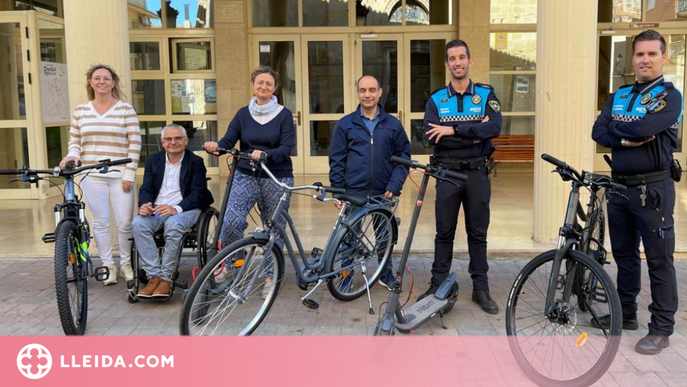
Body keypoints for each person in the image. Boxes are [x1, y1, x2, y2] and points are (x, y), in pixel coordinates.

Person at [592, 30, 683, 355]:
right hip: (619, 189)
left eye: (652, 54)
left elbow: (646, 127)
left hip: (653, 190)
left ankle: (661, 328)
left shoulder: (670, 96)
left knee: (660, 261)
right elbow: (597, 130)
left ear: (664, 57)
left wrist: (618, 131)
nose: (645, 59)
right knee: (625, 257)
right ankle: (625, 315)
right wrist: (625, 138)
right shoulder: (619, 95)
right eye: (640, 54)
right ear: (632, 58)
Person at [419, 39, 502, 314]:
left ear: (470, 61)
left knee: (478, 234)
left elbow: (495, 128)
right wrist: (475, 129)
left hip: (478, 172)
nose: (457, 62)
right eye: (452, 58)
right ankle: (437, 284)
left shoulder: (486, 95)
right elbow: (431, 137)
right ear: (446, 64)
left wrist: (452, 131)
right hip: (447, 172)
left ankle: (481, 289)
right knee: (444, 232)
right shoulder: (436, 99)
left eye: (461, 57)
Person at [204, 66, 295, 298]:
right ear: (253, 85)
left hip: (276, 175)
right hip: (246, 173)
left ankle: (270, 275)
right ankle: (234, 265)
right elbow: (228, 140)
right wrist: (216, 147)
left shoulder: (284, 115)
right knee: (231, 221)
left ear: (275, 88)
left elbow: (286, 147)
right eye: (259, 83)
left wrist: (266, 155)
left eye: (268, 84)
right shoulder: (243, 114)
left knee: (273, 227)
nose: (263, 87)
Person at [60, 63, 141, 286]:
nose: (102, 82)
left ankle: (125, 263)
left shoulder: (125, 109)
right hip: (92, 174)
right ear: (91, 82)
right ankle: (107, 266)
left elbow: (135, 142)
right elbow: (75, 141)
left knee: (125, 222)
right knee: (101, 222)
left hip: (120, 174)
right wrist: (71, 156)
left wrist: (129, 174)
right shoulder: (81, 111)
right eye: (97, 78)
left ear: (113, 82)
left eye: (106, 78)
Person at [328, 75, 411, 291]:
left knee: (385, 236)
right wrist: (338, 191)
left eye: (372, 90)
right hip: (353, 191)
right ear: (357, 93)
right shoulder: (346, 124)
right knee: (348, 238)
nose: (367, 94)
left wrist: (394, 185)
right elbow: (337, 159)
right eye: (363, 90)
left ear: (380, 92)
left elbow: (404, 157)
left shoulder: (393, 125)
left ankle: (385, 273)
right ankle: (346, 275)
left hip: (383, 192)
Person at [132, 124, 213, 298]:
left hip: (185, 208)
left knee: (173, 224)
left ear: (185, 141)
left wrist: (176, 208)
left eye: (177, 138)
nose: (173, 142)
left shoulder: (195, 162)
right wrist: (145, 204)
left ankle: (166, 279)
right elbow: (146, 188)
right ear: (162, 142)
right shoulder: (154, 161)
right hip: (157, 208)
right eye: (168, 139)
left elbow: (198, 193)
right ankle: (154, 276)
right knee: (138, 224)